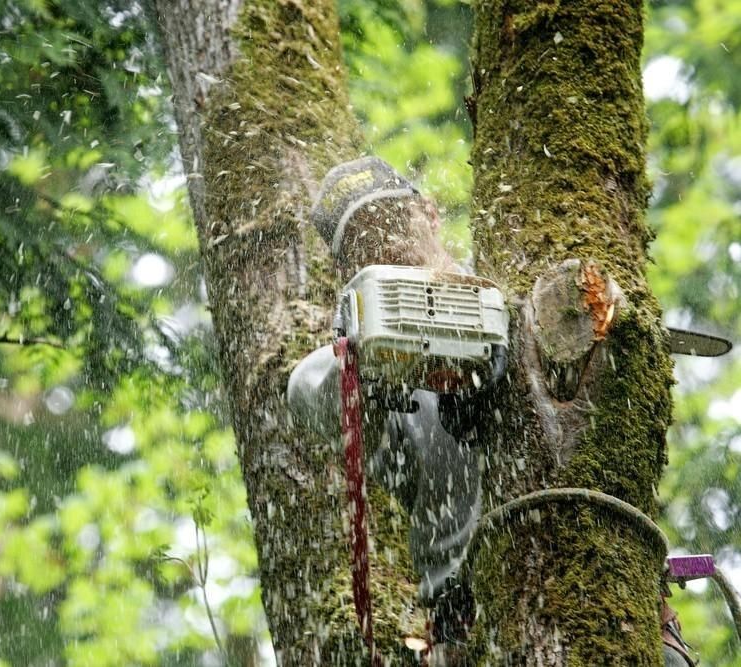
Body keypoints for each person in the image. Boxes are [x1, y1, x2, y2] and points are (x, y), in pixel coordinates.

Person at [289, 157, 696, 665]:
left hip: (603, 581)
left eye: (394, 222)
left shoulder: (513, 301)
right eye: (366, 245)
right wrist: (368, 357)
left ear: (430, 215)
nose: (388, 245)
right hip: (471, 625)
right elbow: (305, 390)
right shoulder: (381, 389)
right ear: (354, 274)